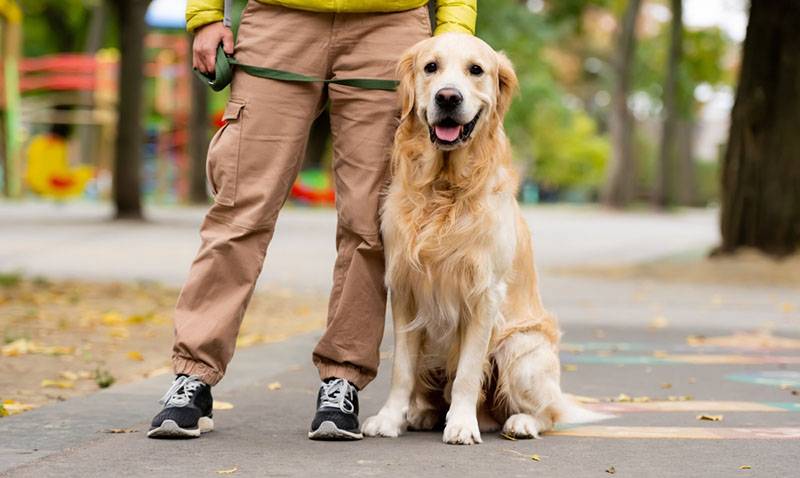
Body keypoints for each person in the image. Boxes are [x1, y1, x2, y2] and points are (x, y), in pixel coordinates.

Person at [147, 0, 477, 440]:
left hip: (389, 25)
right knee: (240, 210)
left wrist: (452, 33)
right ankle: (193, 375)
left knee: (370, 221)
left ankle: (343, 378)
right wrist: (206, 15)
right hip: (280, 17)